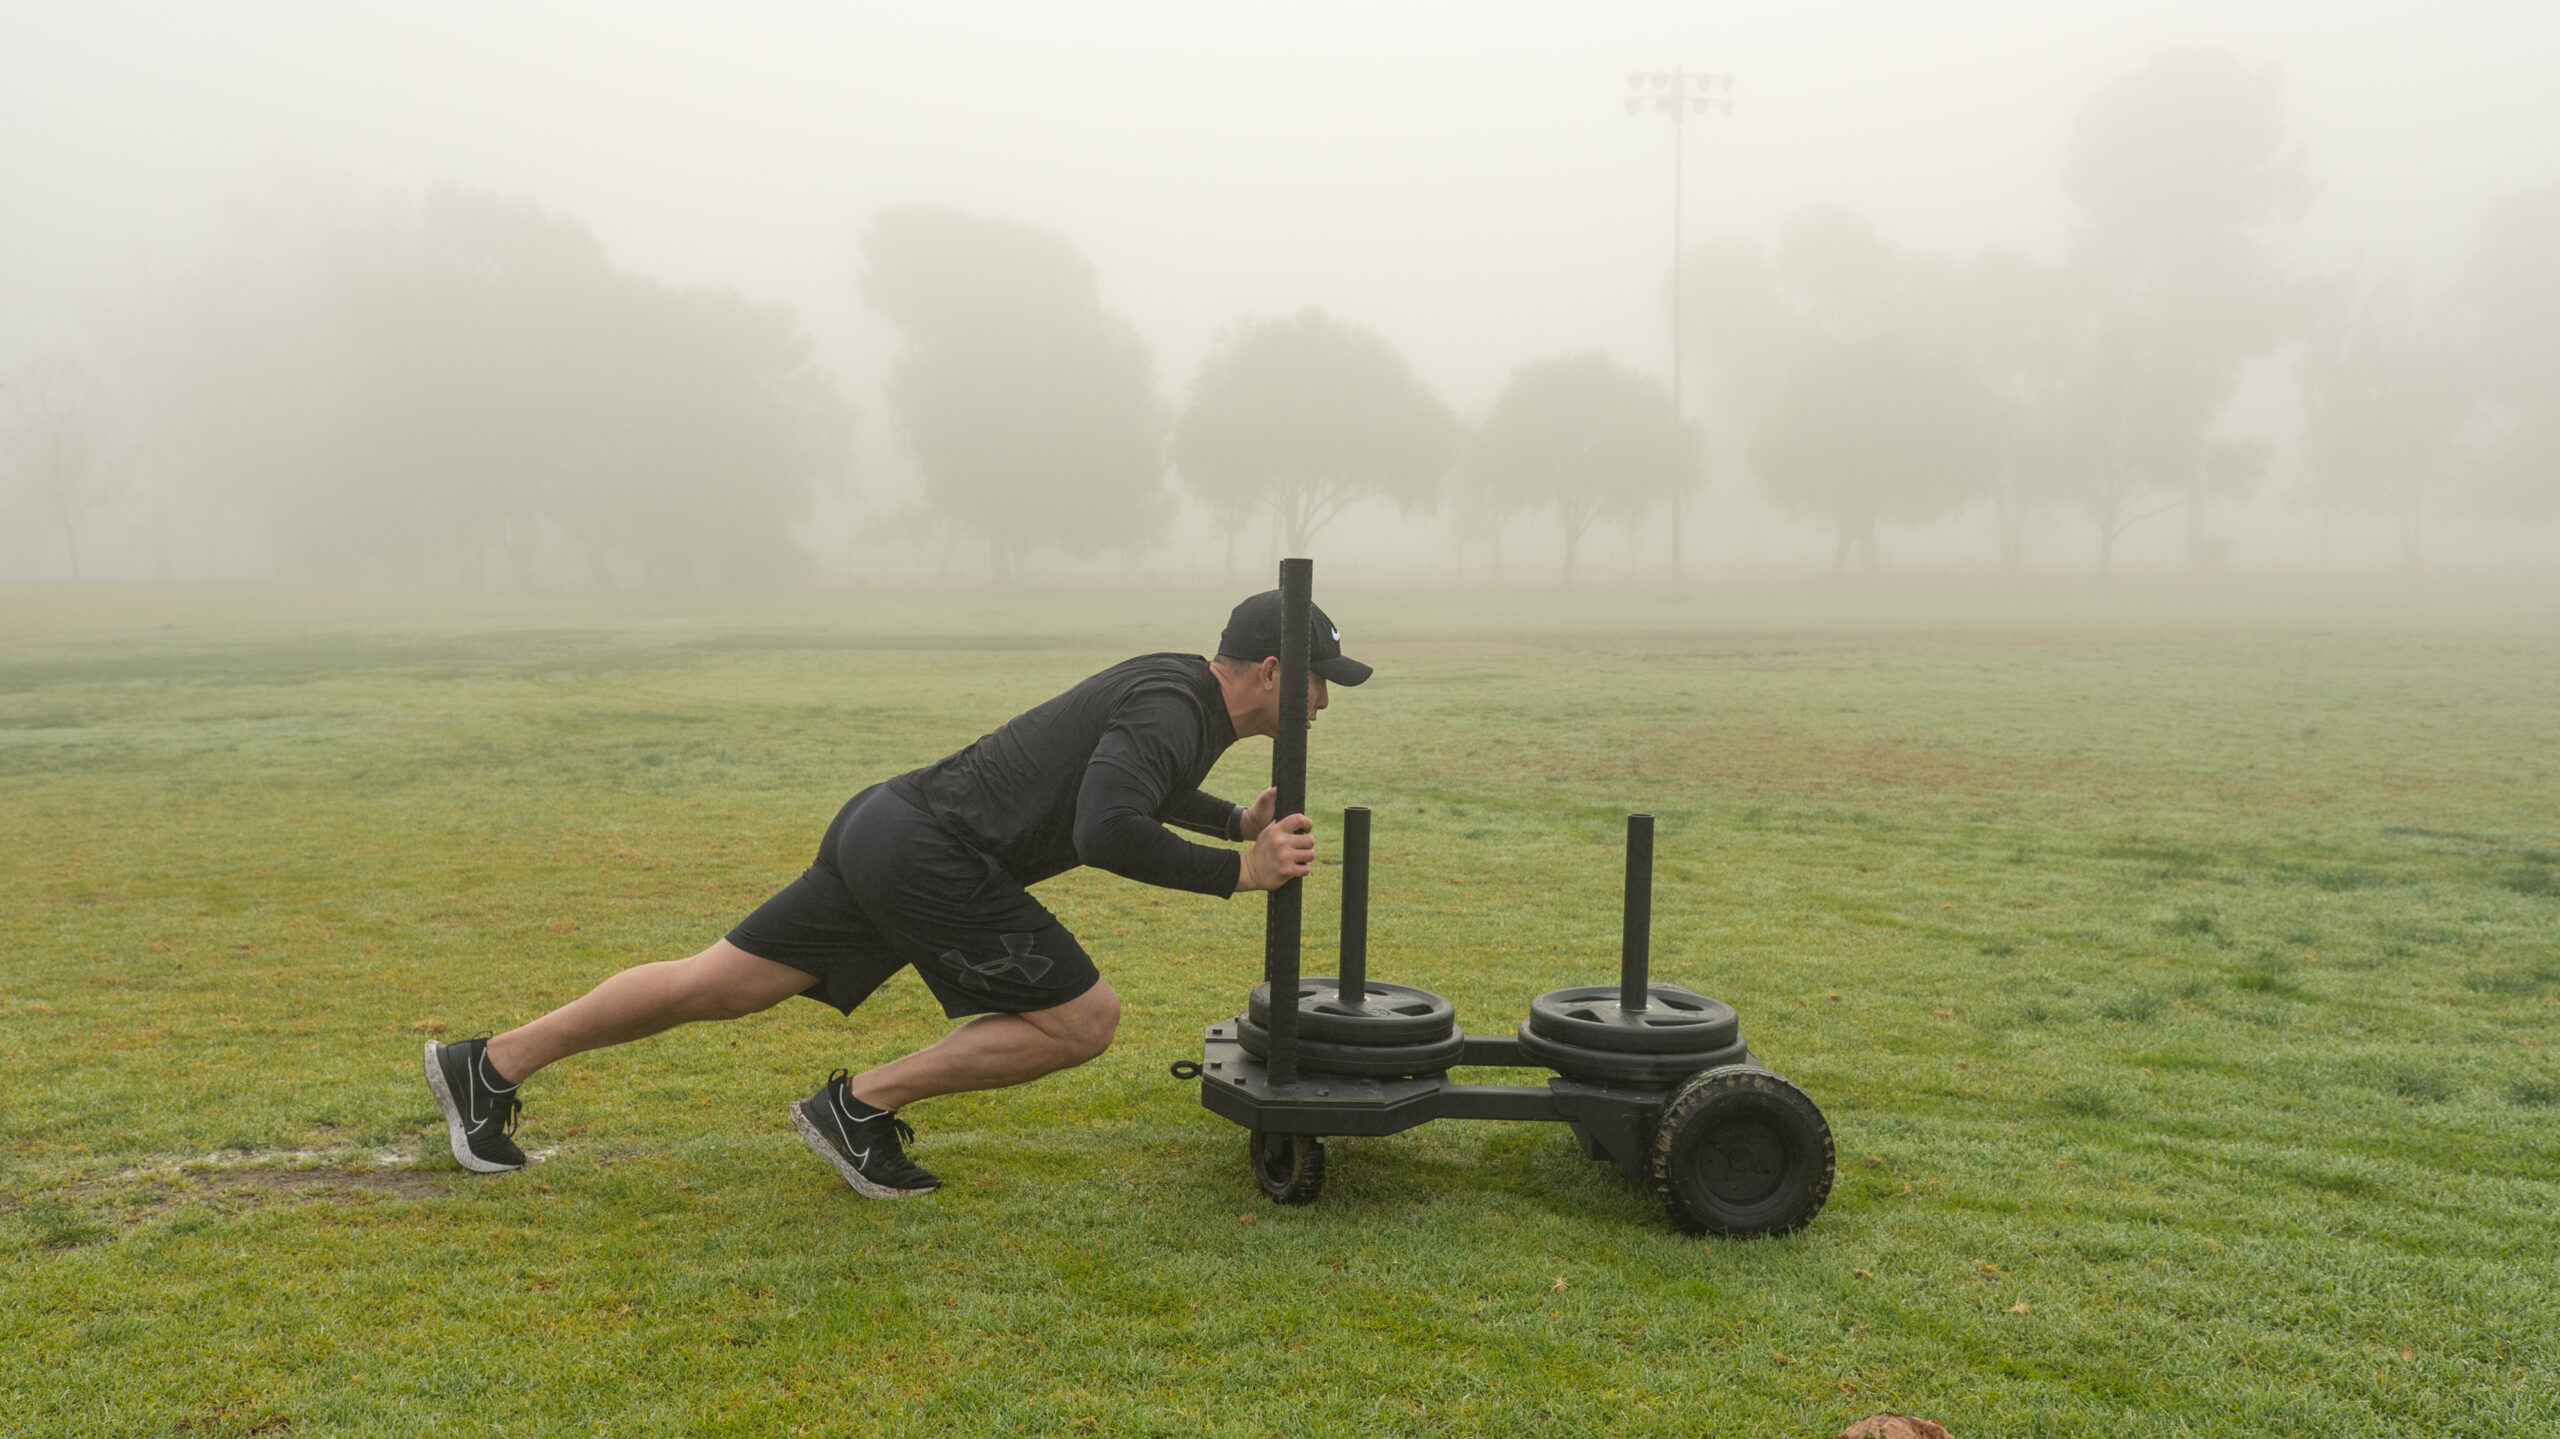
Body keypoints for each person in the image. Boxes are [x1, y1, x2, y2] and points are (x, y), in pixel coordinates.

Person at [423, 589, 1367, 1199]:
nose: (1323, 705)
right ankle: (859, 1106)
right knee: (1085, 1019)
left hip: (892, 825)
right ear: (1275, 673)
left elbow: (1125, 784)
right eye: (1321, 684)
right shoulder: (1175, 705)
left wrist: (1229, 822)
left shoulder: (1176, 694)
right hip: (934, 852)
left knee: (715, 983)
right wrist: (1238, 871)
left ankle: (489, 1064)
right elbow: (1105, 829)